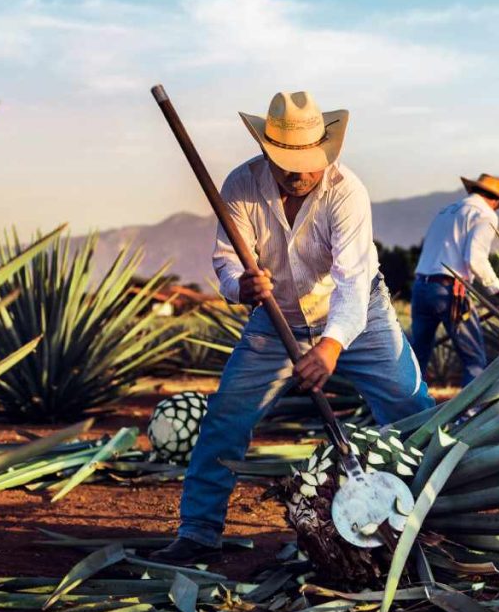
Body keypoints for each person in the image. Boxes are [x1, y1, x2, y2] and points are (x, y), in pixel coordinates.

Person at [151, 91, 435, 565]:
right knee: (227, 417)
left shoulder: (347, 193)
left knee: (413, 409)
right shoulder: (241, 187)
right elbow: (225, 261)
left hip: (357, 317)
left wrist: (329, 347)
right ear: (268, 152)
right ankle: (199, 532)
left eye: (309, 162)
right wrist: (241, 286)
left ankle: (440, 515)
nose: (300, 173)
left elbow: (351, 281)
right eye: (287, 162)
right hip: (274, 318)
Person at [410, 173, 499, 385]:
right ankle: (470, 416)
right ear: (496, 200)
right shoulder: (485, 214)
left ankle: (410, 413)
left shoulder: (446, 211)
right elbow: (475, 259)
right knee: (474, 360)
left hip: (421, 288)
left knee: (417, 358)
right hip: (450, 292)